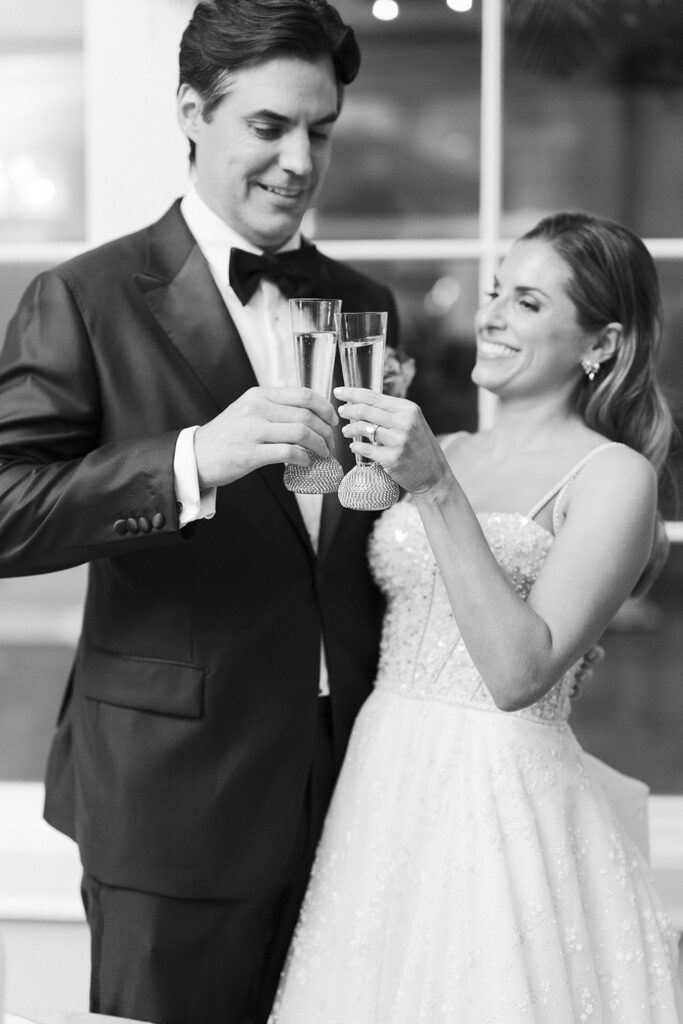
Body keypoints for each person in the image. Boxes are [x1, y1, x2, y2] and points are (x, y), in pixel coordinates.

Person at [0, 2, 401, 1022]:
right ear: (192, 111)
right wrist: (192, 459)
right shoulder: (83, 296)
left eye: (319, 130)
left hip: (355, 777)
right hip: (172, 789)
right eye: (268, 127)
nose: (298, 161)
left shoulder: (365, 304)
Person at [269, 211, 683, 1023]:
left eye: (526, 302)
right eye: (494, 292)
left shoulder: (614, 477)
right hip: (383, 778)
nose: (489, 315)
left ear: (599, 343)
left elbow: (519, 673)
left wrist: (431, 487)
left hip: (498, 800)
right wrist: (338, 429)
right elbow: (331, 573)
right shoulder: (445, 445)